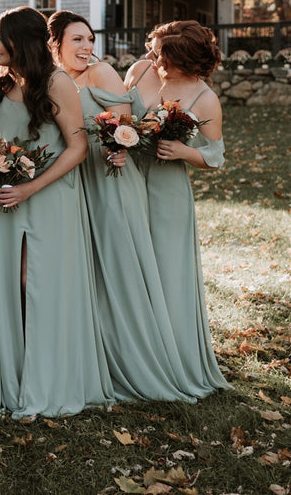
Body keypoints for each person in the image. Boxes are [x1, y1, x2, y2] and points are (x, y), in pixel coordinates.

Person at [49, 10, 194, 403]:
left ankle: (138, 357)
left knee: (119, 260)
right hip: (75, 177)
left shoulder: (102, 74)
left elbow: (125, 128)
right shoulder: (54, 79)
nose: (86, 47)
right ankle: (94, 354)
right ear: (56, 43)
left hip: (111, 175)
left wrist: (119, 148)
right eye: (77, 39)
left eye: (89, 39)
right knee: (87, 266)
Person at [0, 6, 113, 418]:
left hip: (50, 193)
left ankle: (50, 380)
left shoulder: (57, 82)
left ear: (19, 41)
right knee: (13, 282)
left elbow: (77, 148)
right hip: (7, 194)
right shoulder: (1, 83)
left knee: (39, 281)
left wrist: (29, 187)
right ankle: (17, 377)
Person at [124, 20, 229, 397]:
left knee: (166, 269)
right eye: (152, 49)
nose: (152, 58)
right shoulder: (139, 71)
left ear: (183, 60)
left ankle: (170, 356)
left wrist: (185, 151)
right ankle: (127, 348)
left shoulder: (205, 99)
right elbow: (118, 116)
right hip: (125, 177)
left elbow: (214, 156)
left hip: (168, 190)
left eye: (160, 54)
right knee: (128, 261)